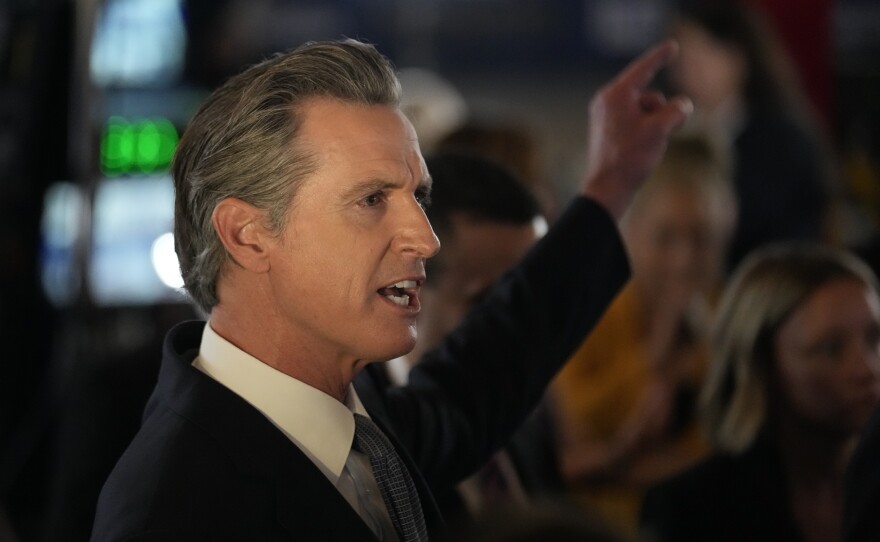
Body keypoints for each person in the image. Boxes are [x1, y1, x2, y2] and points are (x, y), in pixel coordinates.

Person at [90, 38, 691, 541]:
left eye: (418, 197)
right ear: (247, 236)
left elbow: (489, 367)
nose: (426, 240)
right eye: (372, 200)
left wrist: (611, 186)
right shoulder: (171, 514)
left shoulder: (360, 411)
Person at [550, 135, 736, 537]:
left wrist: (616, 466)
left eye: (701, 238)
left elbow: (731, 449)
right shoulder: (590, 313)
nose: (684, 259)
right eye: (666, 237)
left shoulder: (730, 320)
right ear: (630, 234)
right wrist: (654, 356)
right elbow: (577, 431)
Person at [640, 243, 880, 542]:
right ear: (763, 365)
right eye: (832, 349)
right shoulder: (692, 505)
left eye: (875, 339)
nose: (869, 368)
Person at [382, 151, 558, 525]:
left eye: (528, 304)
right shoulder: (372, 432)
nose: (517, 328)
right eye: (489, 303)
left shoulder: (527, 412)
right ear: (412, 286)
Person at [667, 0, 833, 270]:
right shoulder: (676, 134)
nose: (689, 70)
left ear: (739, 57)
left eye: (702, 52)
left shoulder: (784, 144)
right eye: (683, 57)